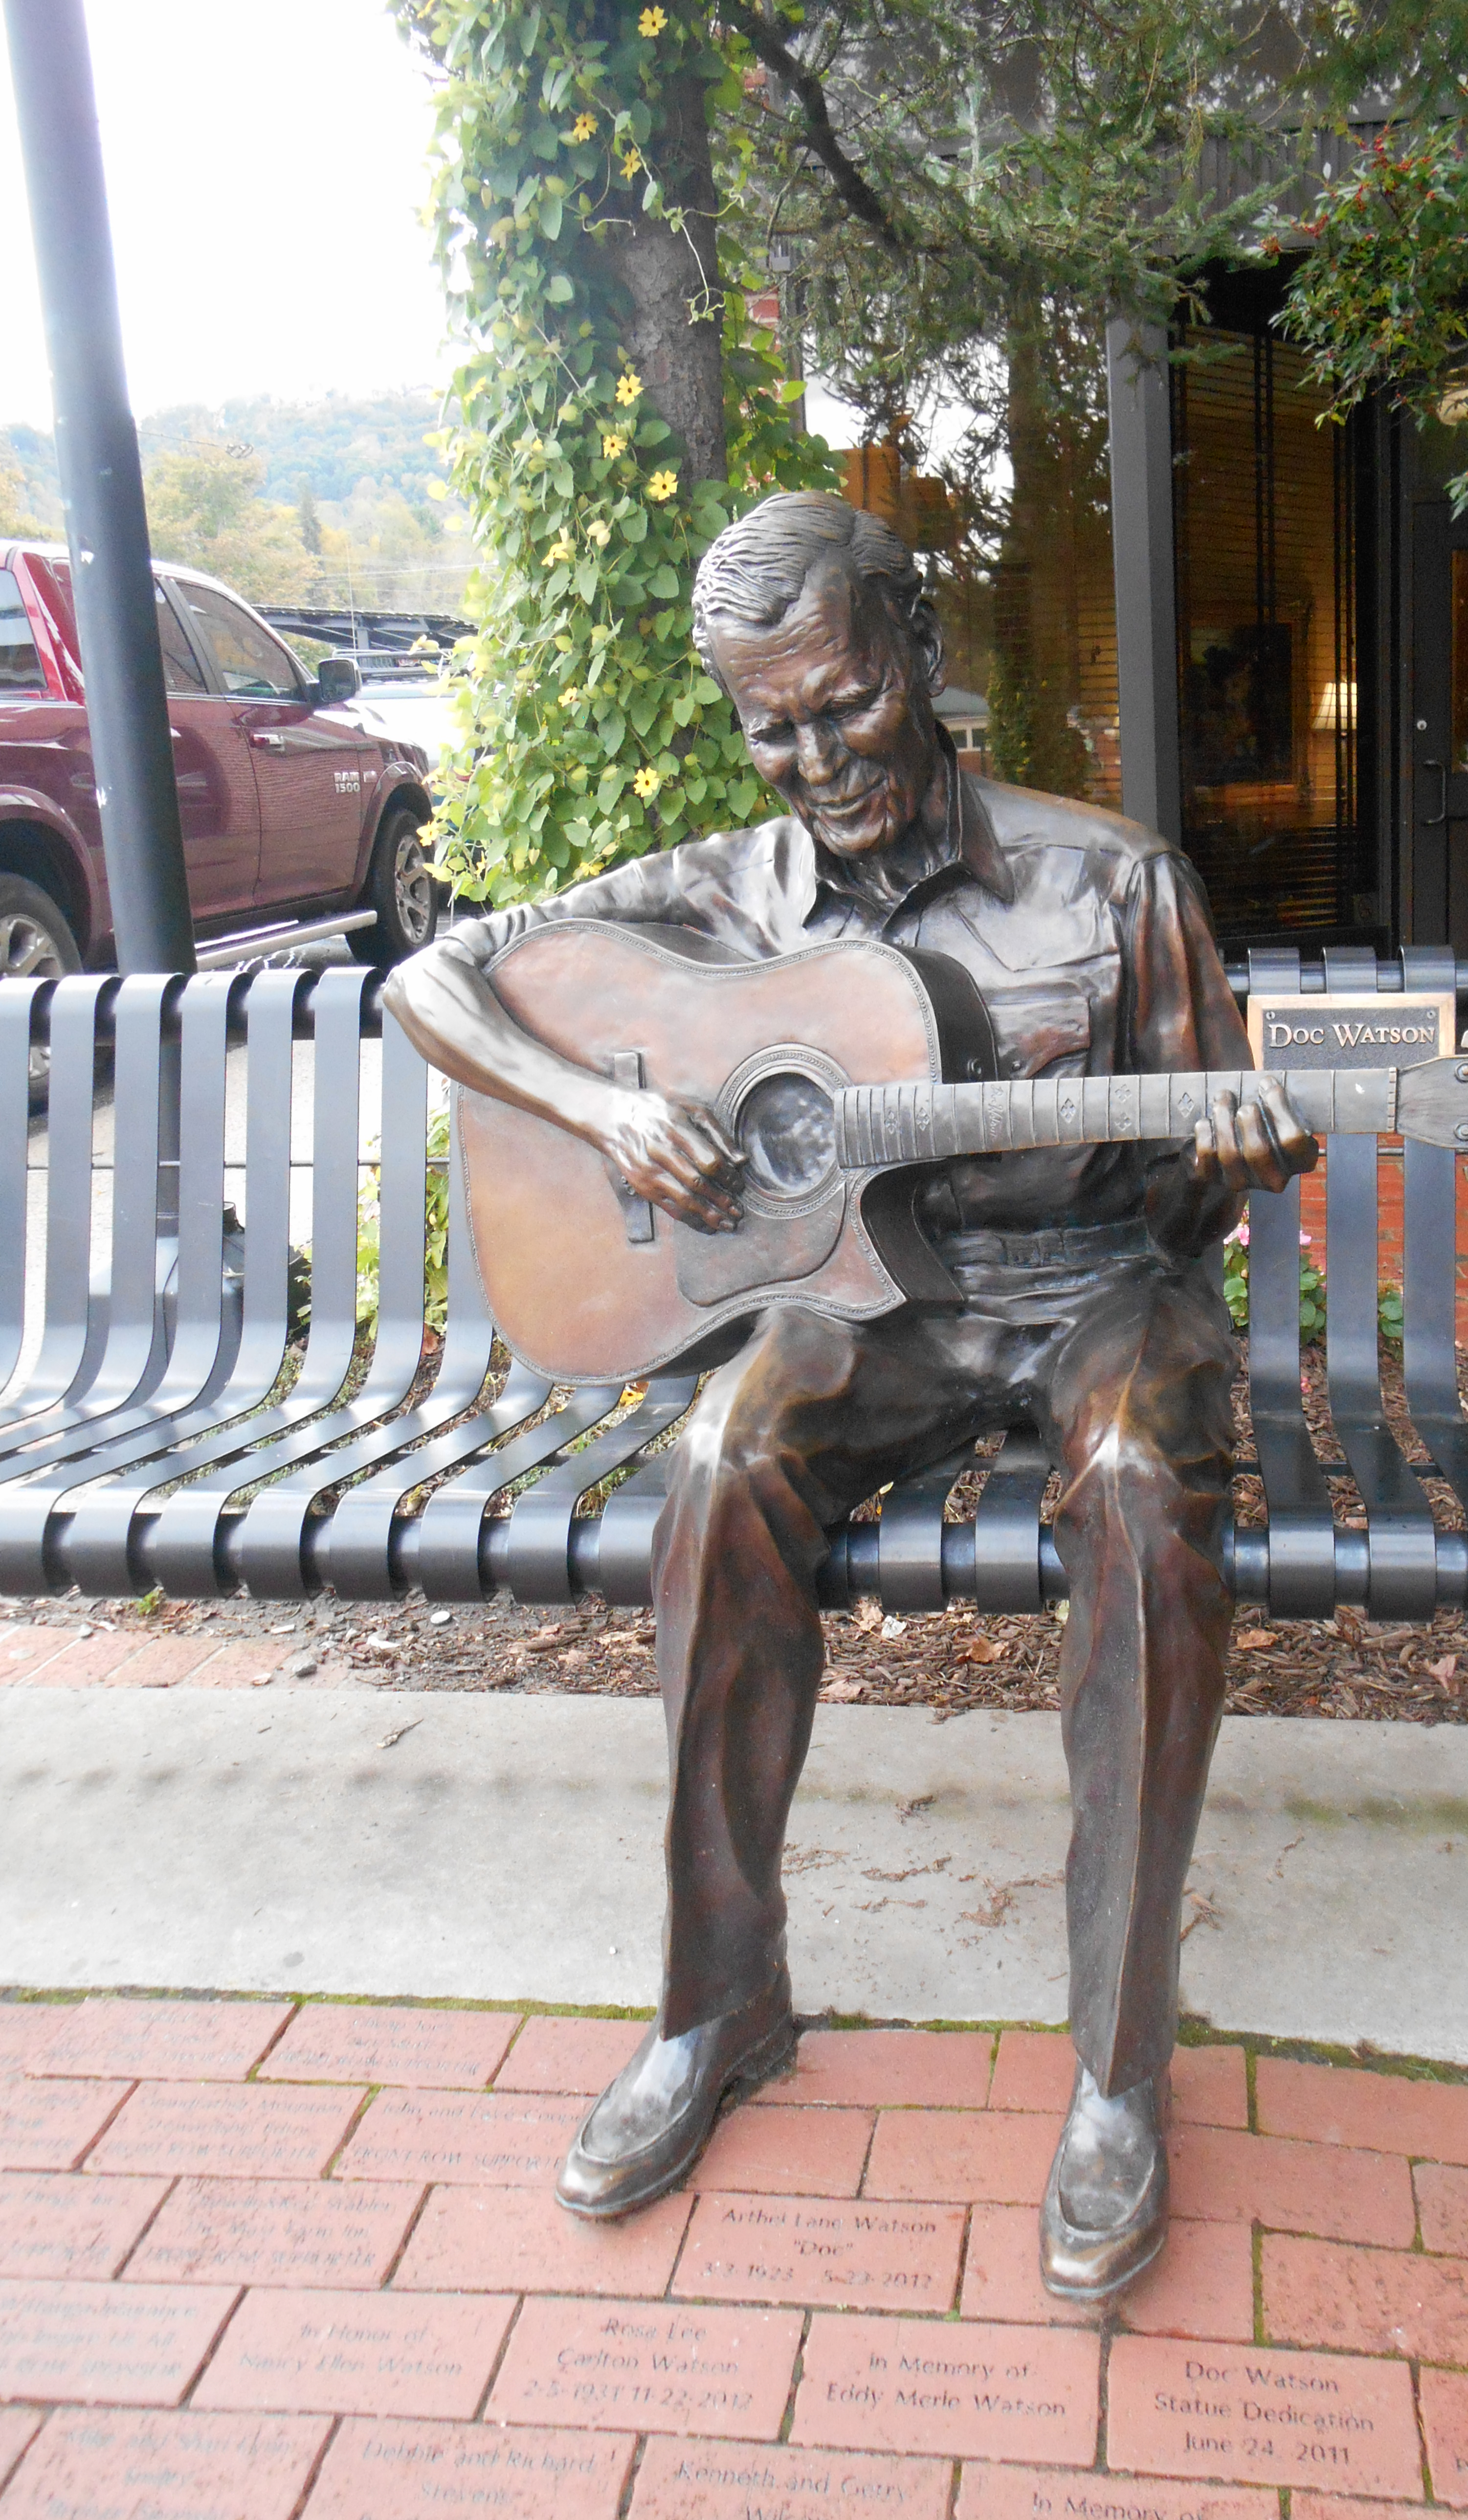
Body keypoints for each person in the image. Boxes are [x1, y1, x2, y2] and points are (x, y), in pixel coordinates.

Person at [386, 490, 1315, 2301]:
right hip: (858, 1305)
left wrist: (1235, 1152)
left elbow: (1195, 1209)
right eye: (770, 725)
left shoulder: (1112, 881)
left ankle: (1120, 2072)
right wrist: (604, 1110)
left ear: (921, 656)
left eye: (842, 705)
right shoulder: (725, 895)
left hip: (1093, 1292)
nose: (813, 758)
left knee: (1135, 1481)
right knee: (724, 1453)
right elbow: (435, 976)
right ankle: (718, 2004)